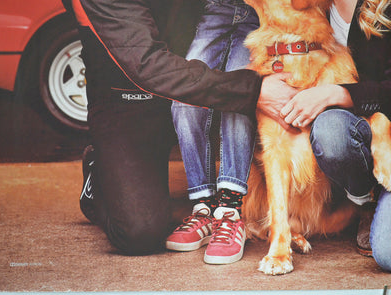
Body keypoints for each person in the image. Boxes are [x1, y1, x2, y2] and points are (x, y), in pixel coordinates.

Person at [62, 0, 298, 255]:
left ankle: (223, 209)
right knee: (140, 233)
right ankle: (100, 172)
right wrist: (253, 89)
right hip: (130, 100)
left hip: (193, 79)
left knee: (233, 96)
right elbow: (148, 66)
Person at [278, 0, 391, 271]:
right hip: (349, 133)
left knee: (387, 254)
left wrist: (337, 93)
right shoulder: (308, 7)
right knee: (330, 129)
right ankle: (366, 200)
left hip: (386, 135)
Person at [166, 0, 259, 264]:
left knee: (242, 96)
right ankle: (203, 209)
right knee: (184, 100)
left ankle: (230, 211)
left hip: (262, 11)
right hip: (212, 8)